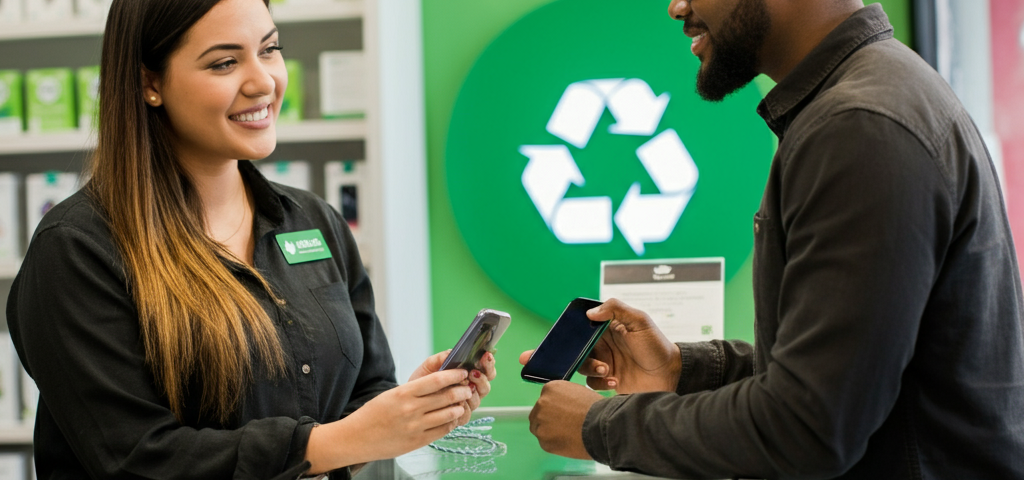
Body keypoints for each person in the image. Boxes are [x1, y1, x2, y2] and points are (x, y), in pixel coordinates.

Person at [522, 0, 1024, 478]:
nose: (677, 7)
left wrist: (599, 428)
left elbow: (810, 428)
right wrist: (680, 370)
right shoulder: (873, 97)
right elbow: (839, 380)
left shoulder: (860, 126)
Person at [5, 0, 496, 478]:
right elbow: (135, 458)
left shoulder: (313, 221)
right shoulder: (77, 249)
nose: (263, 81)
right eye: (224, 63)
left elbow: (366, 389)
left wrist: (402, 413)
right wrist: (344, 439)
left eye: (270, 48)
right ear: (149, 82)